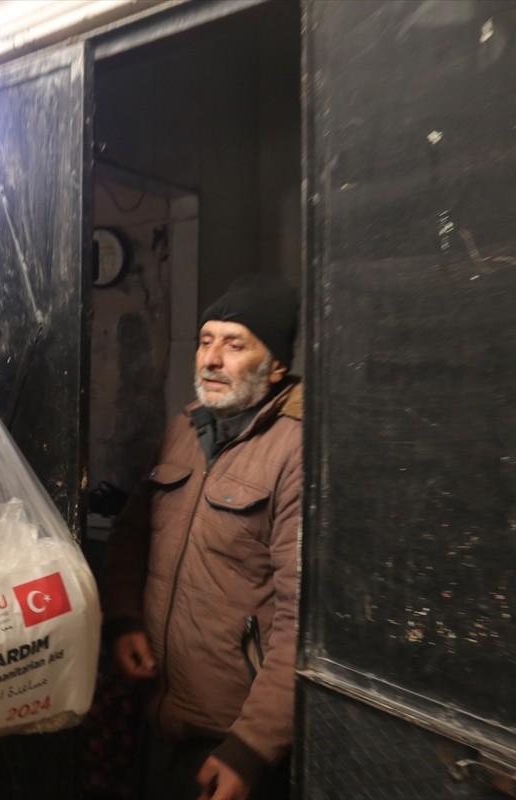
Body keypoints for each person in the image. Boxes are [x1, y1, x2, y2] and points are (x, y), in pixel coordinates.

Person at [100, 274, 302, 800]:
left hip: (231, 745)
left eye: (234, 345)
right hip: (159, 717)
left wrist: (251, 748)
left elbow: (303, 618)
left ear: (276, 365)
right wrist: (123, 620)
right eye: (206, 341)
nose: (211, 359)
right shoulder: (185, 428)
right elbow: (130, 539)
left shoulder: (296, 451)